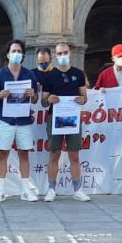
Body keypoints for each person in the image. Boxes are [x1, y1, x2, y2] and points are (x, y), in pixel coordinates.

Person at [0, 39, 39, 202]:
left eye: (19, 51)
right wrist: (0, 96)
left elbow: (36, 100)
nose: (16, 54)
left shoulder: (29, 74)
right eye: (13, 51)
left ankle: (25, 190)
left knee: (24, 154)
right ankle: (0, 190)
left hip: (24, 121)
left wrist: (33, 95)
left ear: (23, 54)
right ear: (7, 54)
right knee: (3, 153)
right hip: (5, 120)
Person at [41, 42, 89, 202]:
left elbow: (84, 98)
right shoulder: (49, 76)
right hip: (55, 119)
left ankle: (77, 190)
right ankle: (51, 190)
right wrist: (49, 99)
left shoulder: (79, 74)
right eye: (59, 53)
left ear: (70, 53)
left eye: (65, 52)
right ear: (55, 56)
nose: (62, 56)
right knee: (54, 154)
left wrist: (82, 99)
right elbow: (43, 102)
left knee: (74, 155)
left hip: (73, 120)